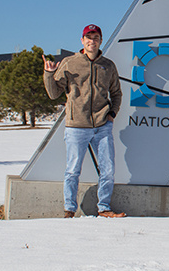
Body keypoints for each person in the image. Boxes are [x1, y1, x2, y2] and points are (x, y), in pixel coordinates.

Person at [43, 24, 126, 218]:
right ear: (82, 41)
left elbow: (116, 93)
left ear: (100, 41)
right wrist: (48, 74)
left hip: (102, 125)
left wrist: (111, 115)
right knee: (72, 170)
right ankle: (69, 209)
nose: (92, 41)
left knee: (108, 169)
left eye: (95, 37)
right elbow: (54, 93)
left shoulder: (108, 65)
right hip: (76, 126)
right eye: (88, 37)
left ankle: (104, 208)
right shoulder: (70, 63)